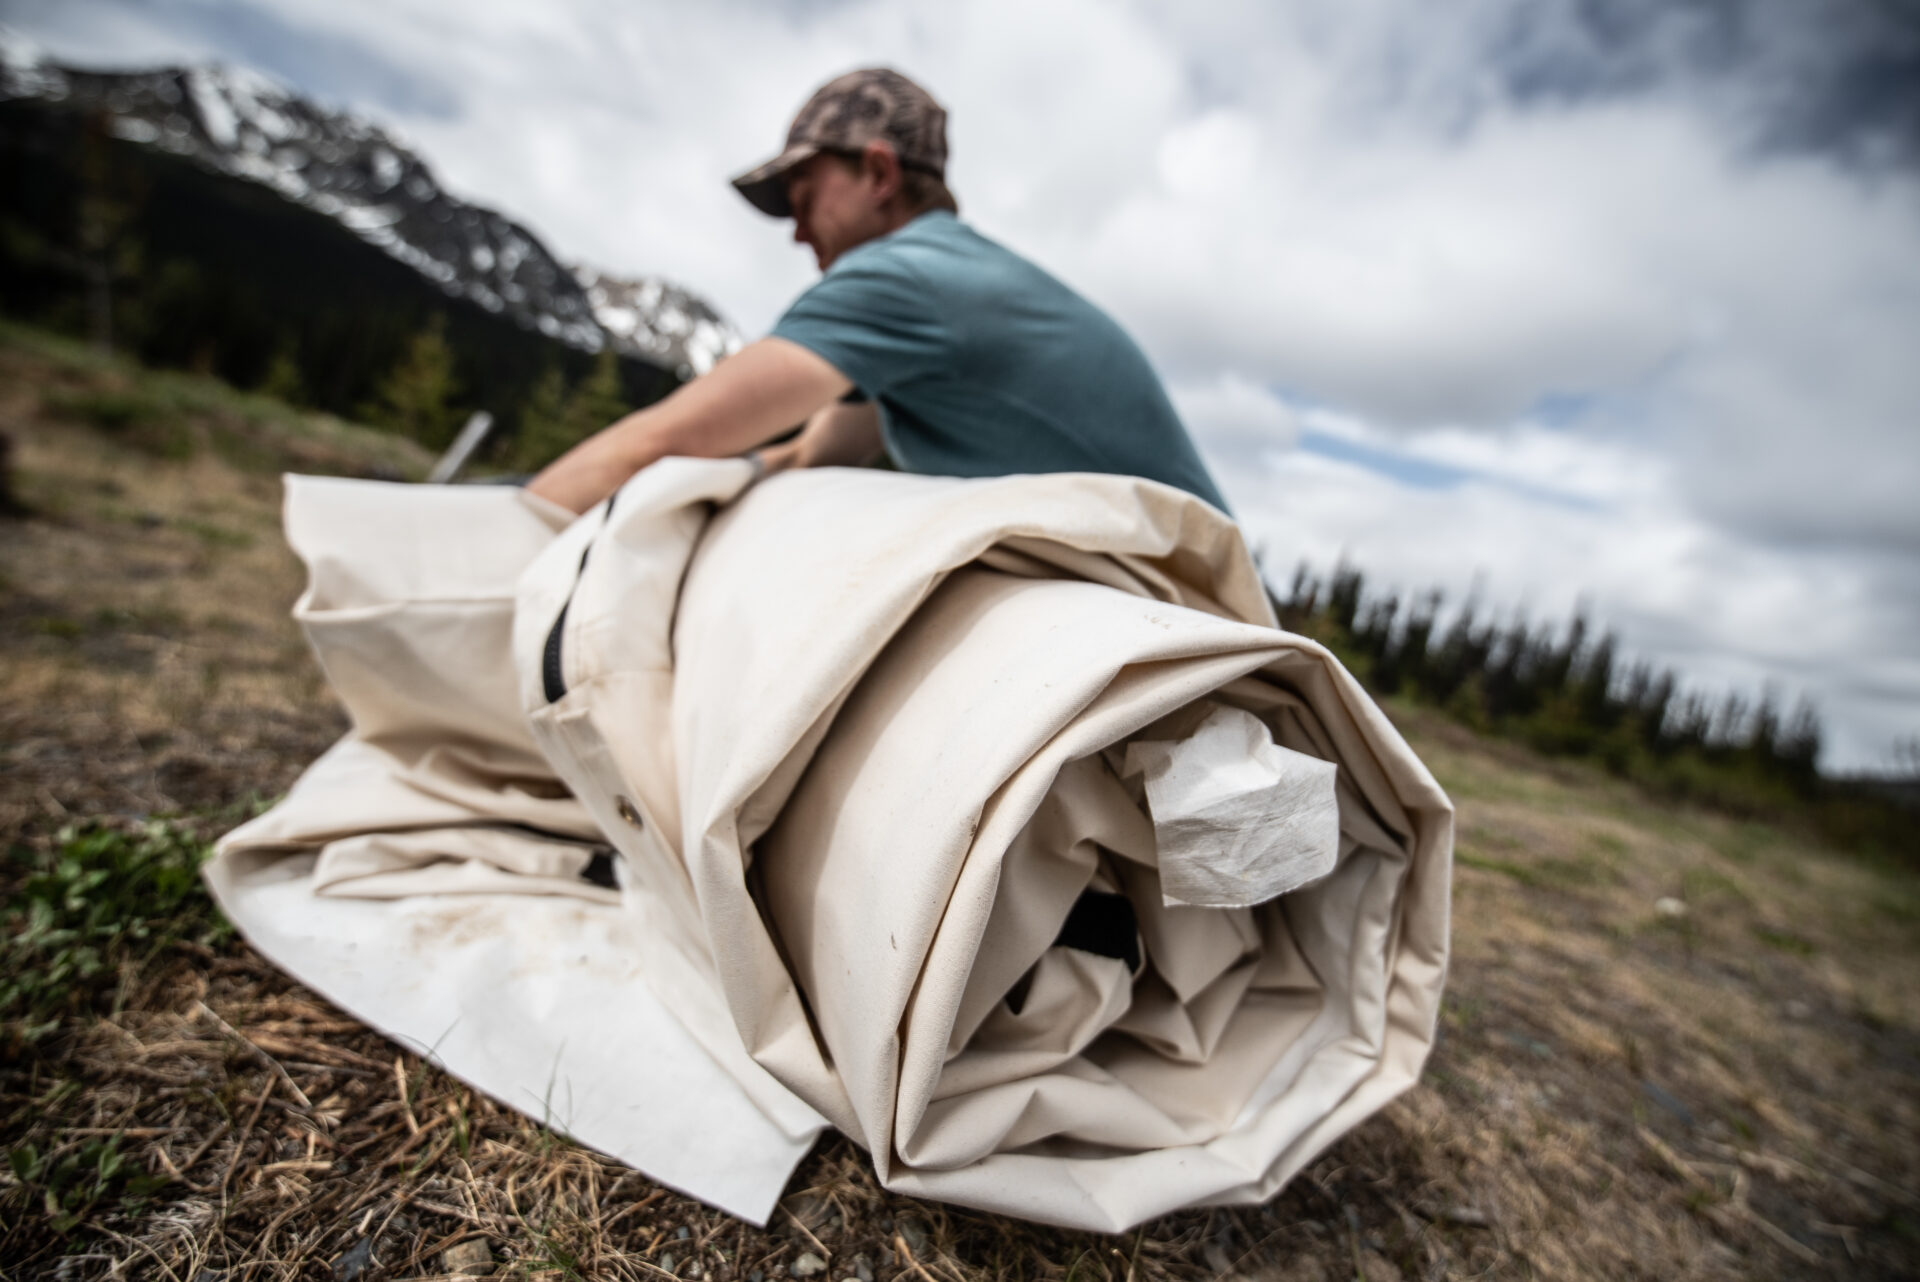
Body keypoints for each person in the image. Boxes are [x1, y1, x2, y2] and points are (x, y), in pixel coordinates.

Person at [528, 68, 1228, 515]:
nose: (798, 233)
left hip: (1177, 627)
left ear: (880, 174)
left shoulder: (904, 279)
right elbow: (806, 457)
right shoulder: (946, 288)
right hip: (1196, 615)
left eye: (804, 199)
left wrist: (510, 527)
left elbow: (663, 443)